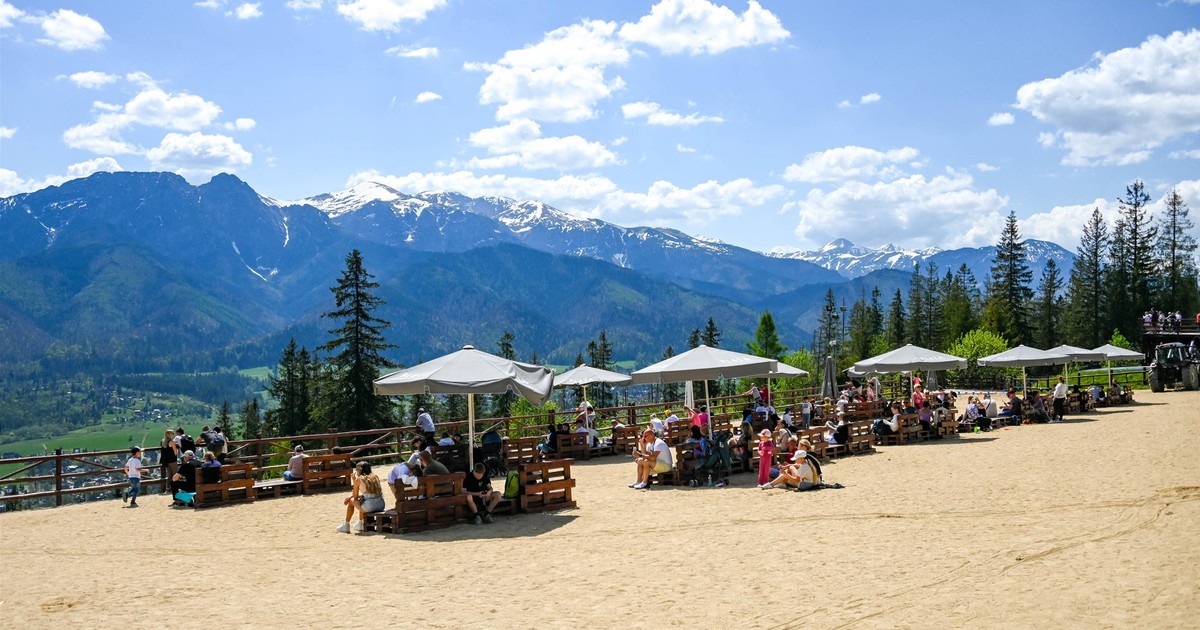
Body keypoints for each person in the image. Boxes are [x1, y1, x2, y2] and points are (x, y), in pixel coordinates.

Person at [337, 462, 385, 533]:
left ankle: (346, 524)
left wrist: (354, 481)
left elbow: (355, 497)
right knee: (362, 500)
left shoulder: (359, 480)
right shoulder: (375, 477)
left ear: (360, 470)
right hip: (381, 505)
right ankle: (360, 523)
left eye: (356, 469)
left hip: (370, 507)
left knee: (351, 501)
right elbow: (368, 494)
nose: (356, 471)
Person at [159, 429, 178, 495]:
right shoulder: (171, 442)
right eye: (172, 433)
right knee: (175, 474)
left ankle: (168, 488)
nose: (173, 435)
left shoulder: (162, 442)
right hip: (172, 460)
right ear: (170, 435)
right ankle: (175, 488)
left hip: (166, 461)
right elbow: (175, 452)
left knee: (169, 475)